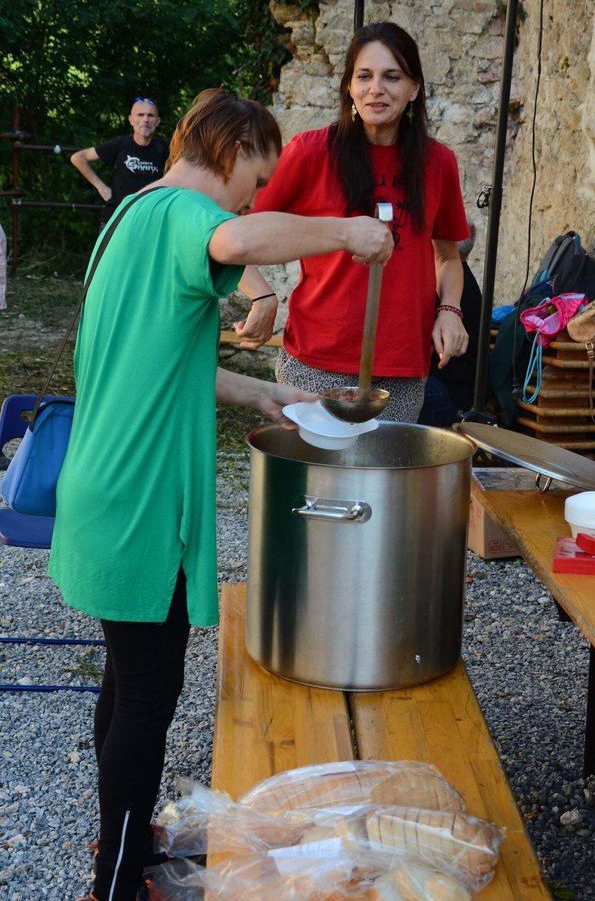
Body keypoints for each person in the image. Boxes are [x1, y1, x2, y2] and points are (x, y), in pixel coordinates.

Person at [46, 88, 392, 901]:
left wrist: (261, 396)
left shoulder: (130, 217)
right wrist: (346, 234)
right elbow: (237, 233)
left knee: (124, 678)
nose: (255, 194)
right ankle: (118, 879)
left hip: (101, 485)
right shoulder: (184, 217)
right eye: (257, 176)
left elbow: (161, 359)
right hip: (138, 500)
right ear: (231, 154)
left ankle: (122, 833)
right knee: (147, 699)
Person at [253, 21, 471, 421]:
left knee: (382, 482)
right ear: (350, 87)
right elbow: (239, 231)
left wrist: (450, 309)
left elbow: (448, 257)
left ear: (414, 89)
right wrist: (260, 293)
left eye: (393, 77)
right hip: (315, 360)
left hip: (402, 367)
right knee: (314, 482)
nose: (377, 89)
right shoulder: (311, 151)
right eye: (364, 76)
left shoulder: (438, 162)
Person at [70, 97, 170, 229]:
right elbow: (78, 158)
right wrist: (101, 187)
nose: (145, 120)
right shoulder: (121, 144)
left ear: (157, 121)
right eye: (140, 115)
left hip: (149, 221)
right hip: (116, 218)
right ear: (131, 120)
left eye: (150, 115)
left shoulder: (164, 148)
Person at [418, 225, 482, 426]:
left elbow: (420, 352)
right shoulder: (464, 278)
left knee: (391, 393)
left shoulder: (450, 289)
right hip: (457, 390)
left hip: (450, 395)